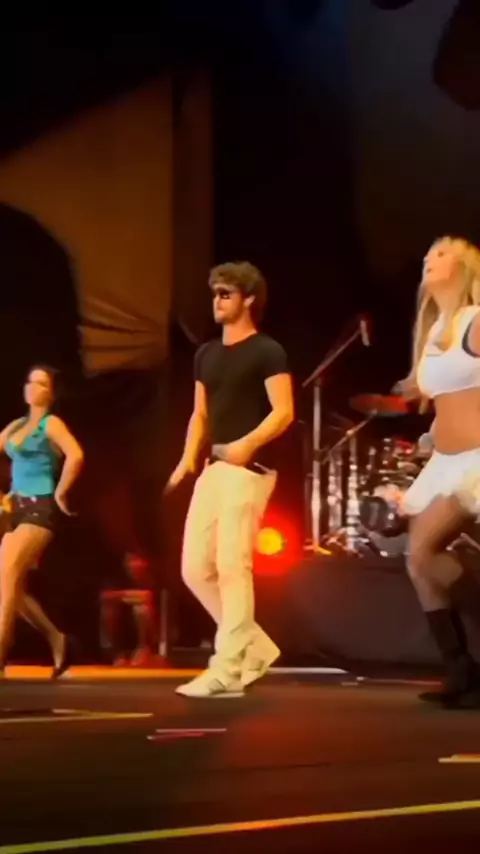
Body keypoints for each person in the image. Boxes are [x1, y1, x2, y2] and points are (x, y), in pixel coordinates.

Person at [166, 261, 294, 698]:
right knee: (193, 568)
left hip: (249, 470)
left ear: (249, 299)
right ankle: (254, 647)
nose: (217, 301)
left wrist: (247, 445)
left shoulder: (268, 351)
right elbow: (200, 414)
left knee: (232, 566)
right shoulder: (206, 354)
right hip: (214, 468)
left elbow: (284, 412)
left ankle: (227, 668)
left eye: (226, 294)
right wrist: (187, 460)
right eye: (215, 294)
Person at [397, 236, 480, 708]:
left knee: (424, 549)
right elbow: (446, 398)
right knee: (419, 561)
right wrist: (431, 436)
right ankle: (461, 672)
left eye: (442, 253)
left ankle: (464, 673)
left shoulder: (475, 320)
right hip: (444, 461)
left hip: (476, 461)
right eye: (427, 254)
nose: (430, 258)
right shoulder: (433, 332)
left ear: (464, 266)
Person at [0, 365, 84, 678]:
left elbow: (76, 455)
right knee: (11, 584)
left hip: (40, 508)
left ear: (51, 393)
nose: (33, 387)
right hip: (16, 509)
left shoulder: (51, 424)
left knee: (7, 573)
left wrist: (61, 492)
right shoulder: (18, 425)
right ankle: (56, 637)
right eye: (30, 381)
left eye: (41, 383)